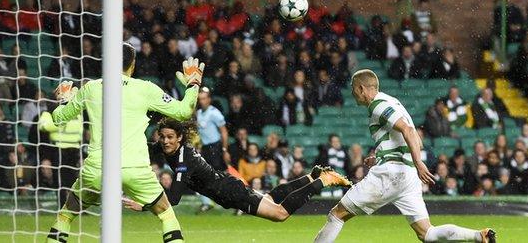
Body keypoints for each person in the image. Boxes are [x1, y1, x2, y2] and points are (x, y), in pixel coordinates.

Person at [46, 44, 204, 243]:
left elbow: (58, 118)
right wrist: (193, 83)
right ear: (133, 64)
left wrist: (63, 99)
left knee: (66, 214)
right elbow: (184, 111)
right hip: (134, 168)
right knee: (166, 214)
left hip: (98, 168)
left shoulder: (91, 88)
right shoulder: (145, 88)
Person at [314, 69, 495, 243]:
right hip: (407, 176)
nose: (353, 94)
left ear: (361, 88)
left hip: (390, 173)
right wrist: (380, 154)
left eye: (354, 89)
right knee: (427, 233)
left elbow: (407, 131)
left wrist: (419, 162)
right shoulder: (393, 102)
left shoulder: (378, 104)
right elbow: (416, 139)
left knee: (337, 215)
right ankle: (479, 236)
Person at [125, 118, 351, 222]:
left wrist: (145, 206)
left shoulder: (184, 159)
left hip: (230, 191)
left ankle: (324, 180)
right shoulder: (168, 147)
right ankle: (310, 177)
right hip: (226, 188)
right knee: (270, 198)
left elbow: (173, 198)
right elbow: (145, 146)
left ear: (180, 138)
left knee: (279, 214)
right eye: (162, 137)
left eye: (170, 137)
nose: (165, 141)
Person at [196, 88, 230, 171]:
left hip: (215, 147)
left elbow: (224, 132)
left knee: (219, 172)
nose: (201, 101)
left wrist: (225, 150)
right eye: (200, 99)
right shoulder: (199, 113)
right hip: (205, 148)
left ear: (209, 99)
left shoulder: (215, 113)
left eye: (204, 99)